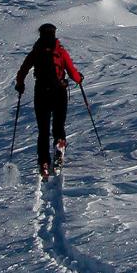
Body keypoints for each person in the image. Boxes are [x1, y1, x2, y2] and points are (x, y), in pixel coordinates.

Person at [15, 23, 83, 177]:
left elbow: (23, 71)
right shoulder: (60, 51)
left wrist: (20, 85)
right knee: (58, 125)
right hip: (59, 92)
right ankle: (59, 145)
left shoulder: (36, 52)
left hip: (41, 93)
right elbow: (72, 71)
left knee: (43, 130)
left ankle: (44, 163)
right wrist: (79, 79)